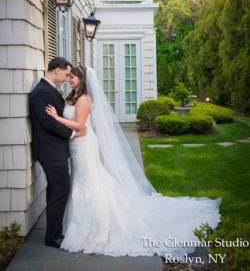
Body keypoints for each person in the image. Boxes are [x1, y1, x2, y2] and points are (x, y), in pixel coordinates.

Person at [45, 65, 221, 257]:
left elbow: (79, 125)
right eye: (69, 76)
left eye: (74, 77)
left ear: (83, 79)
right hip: (76, 144)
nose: (70, 79)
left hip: (84, 145)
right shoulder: (73, 96)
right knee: (82, 180)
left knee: (88, 181)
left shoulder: (85, 99)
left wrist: (56, 118)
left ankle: (92, 224)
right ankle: (78, 222)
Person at [29, 57, 86, 249]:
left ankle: (53, 233)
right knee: (61, 189)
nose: (67, 78)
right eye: (66, 74)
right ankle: (53, 237)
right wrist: (73, 133)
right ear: (57, 71)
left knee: (57, 190)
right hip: (50, 151)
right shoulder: (41, 93)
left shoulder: (49, 90)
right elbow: (48, 122)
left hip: (56, 150)